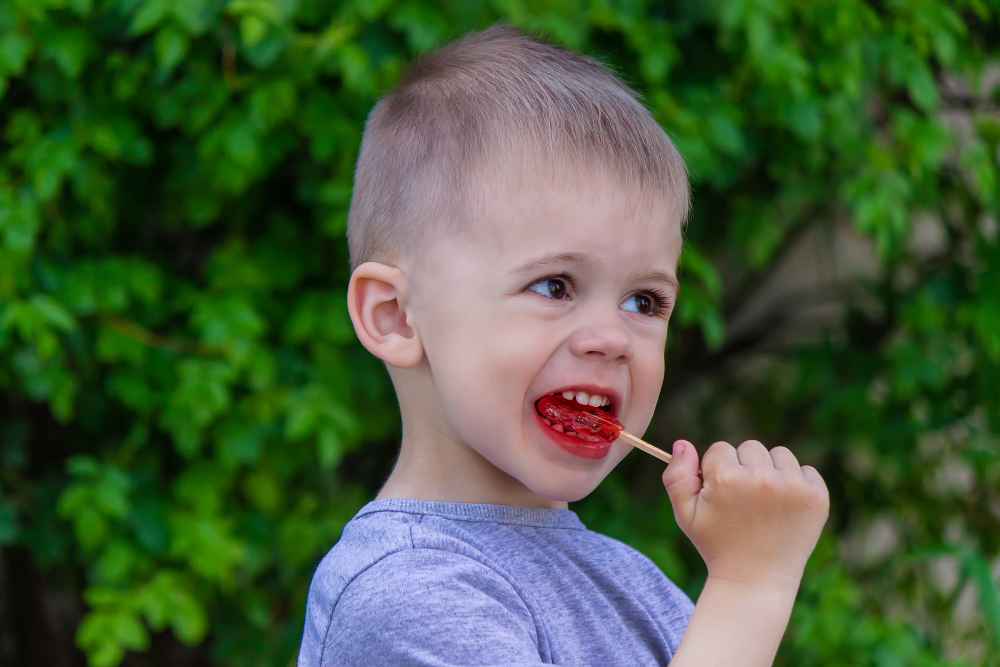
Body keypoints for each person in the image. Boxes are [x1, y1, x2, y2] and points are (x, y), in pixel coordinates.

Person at [297, 22, 829, 666]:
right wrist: (751, 586)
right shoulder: (403, 593)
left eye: (645, 301)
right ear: (396, 317)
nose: (612, 338)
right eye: (555, 285)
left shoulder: (643, 592)